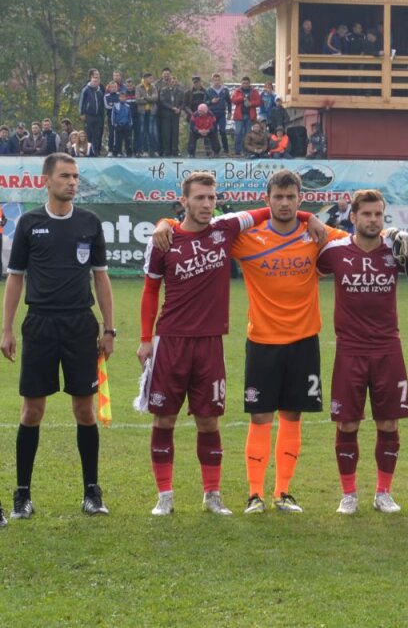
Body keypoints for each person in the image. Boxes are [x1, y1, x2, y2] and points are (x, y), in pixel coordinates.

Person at [154, 170, 330, 514]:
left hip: (305, 339)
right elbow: (196, 228)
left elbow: (360, 240)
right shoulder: (244, 236)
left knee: (293, 416)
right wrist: (164, 221)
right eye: (278, 197)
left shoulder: (317, 234)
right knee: (260, 417)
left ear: (300, 200)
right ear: (267, 200)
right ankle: (254, 495)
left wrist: (391, 233)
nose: (284, 203)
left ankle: (283, 492)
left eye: (291, 197)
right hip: (262, 340)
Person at [136, 172, 274, 516]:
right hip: (170, 342)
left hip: (210, 343)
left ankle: (212, 496)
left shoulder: (224, 229)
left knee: (209, 421)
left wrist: (308, 218)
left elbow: (269, 209)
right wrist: (143, 339)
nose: (207, 204)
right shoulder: (163, 240)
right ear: (184, 201)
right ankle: (164, 497)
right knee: (163, 420)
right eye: (199, 198)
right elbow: (151, 290)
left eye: (212, 198)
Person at [2, 153, 115, 519]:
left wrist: (108, 328)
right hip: (39, 325)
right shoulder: (30, 223)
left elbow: (100, 277)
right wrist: (6, 329)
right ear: (46, 180)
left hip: (80, 325)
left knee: (85, 410)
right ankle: (22, 495)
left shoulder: (89, 223)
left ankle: (92, 493)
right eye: (65, 176)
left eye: (76, 176)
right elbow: (16, 277)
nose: (72, 182)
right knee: (32, 410)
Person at [317, 190, 408, 515]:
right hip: (349, 352)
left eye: (378, 215)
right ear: (353, 217)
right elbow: (305, 269)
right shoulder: (334, 253)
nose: (373, 220)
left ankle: (384, 493)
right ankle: (349, 494)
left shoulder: (394, 251)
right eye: (366, 214)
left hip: (387, 350)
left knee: (389, 425)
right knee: (348, 425)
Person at [156, 68, 184, 157]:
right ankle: (166, 151)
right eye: (172, 81)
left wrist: (179, 108)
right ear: (169, 82)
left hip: (176, 115)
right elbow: (162, 101)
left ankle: (175, 151)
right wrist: (172, 108)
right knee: (166, 133)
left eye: (174, 81)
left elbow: (183, 102)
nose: (173, 82)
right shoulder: (164, 90)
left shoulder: (180, 91)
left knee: (175, 133)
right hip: (166, 114)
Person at [230, 77, 260, 156]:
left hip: (250, 116)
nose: (245, 84)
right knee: (238, 133)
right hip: (239, 115)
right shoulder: (237, 91)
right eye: (243, 83)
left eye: (246, 83)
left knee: (248, 134)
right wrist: (242, 98)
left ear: (249, 83)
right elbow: (233, 100)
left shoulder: (254, 91)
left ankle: (246, 151)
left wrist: (251, 103)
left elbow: (258, 102)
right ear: (241, 83)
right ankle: (237, 151)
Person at [78, 69, 106, 152]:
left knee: (97, 134)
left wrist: (103, 115)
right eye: (95, 78)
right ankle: (88, 151)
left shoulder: (101, 91)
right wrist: (82, 113)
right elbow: (81, 102)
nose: (96, 80)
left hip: (99, 116)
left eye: (98, 78)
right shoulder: (86, 89)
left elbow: (103, 103)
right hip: (89, 115)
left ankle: (96, 151)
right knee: (88, 134)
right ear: (91, 78)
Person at [135, 73, 159, 157]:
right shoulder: (138, 87)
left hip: (151, 112)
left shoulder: (153, 87)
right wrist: (149, 99)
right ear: (145, 78)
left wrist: (144, 97)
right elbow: (137, 100)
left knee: (151, 131)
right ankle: (143, 151)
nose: (152, 80)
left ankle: (154, 150)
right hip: (142, 112)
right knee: (142, 131)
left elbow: (155, 98)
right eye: (150, 78)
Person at [207, 74, 231, 156]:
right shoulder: (209, 90)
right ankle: (215, 150)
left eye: (218, 80)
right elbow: (205, 102)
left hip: (222, 113)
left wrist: (230, 112)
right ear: (212, 81)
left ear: (220, 80)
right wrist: (211, 101)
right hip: (212, 113)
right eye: (215, 80)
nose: (217, 82)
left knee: (222, 131)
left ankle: (226, 150)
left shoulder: (225, 90)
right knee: (213, 132)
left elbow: (229, 102)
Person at [110, 89, 134, 157]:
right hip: (118, 126)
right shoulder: (115, 105)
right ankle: (117, 153)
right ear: (119, 98)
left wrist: (130, 124)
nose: (122, 98)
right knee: (118, 141)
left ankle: (129, 153)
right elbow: (113, 116)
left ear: (126, 98)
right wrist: (114, 124)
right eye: (121, 97)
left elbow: (130, 116)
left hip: (126, 125)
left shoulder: (128, 106)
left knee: (128, 140)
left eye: (124, 97)